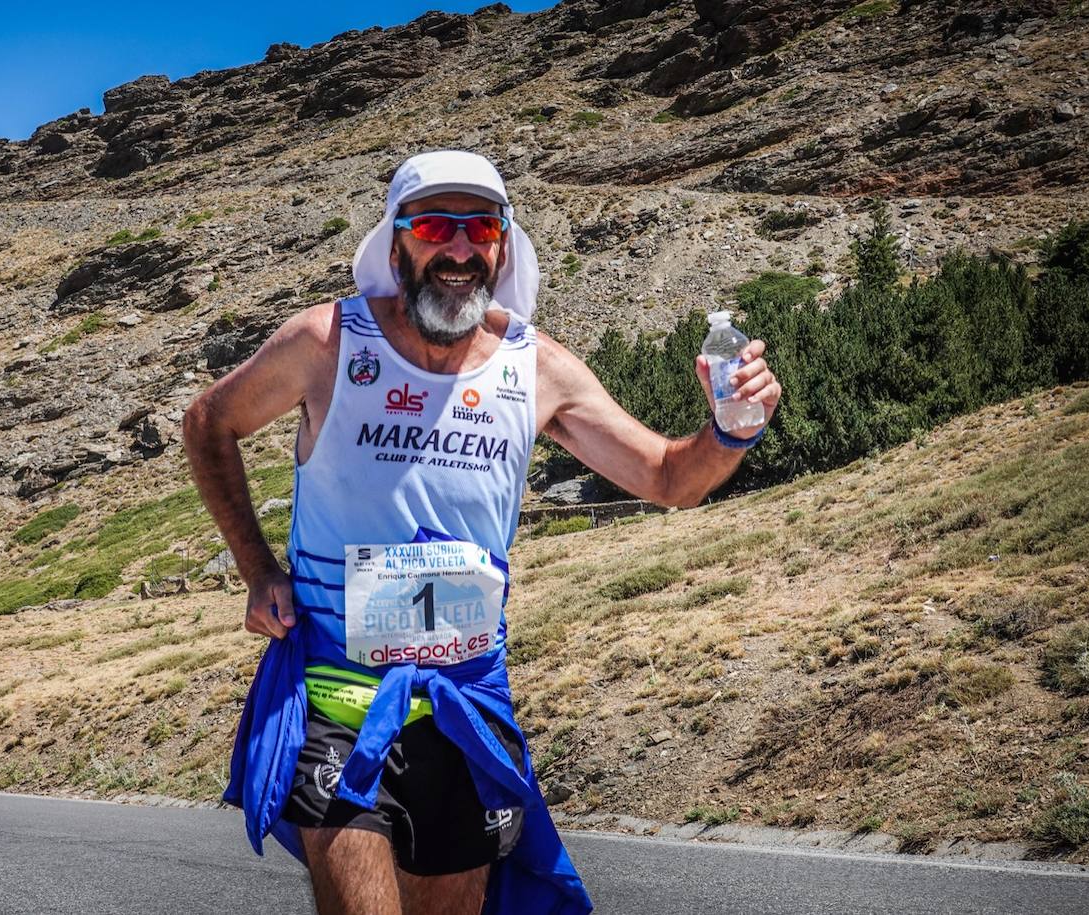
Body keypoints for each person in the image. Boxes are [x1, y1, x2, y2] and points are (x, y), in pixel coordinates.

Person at [183, 150, 780, 915]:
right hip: (339, 699)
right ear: (397, 243)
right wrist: (257, 569)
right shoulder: (327, 343)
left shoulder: (539, 370)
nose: (459, 249)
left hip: (466, 708)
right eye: (435, 225)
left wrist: (731, 430)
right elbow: (208, 422)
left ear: (503, 245)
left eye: (481, 228)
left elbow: (669, 478)